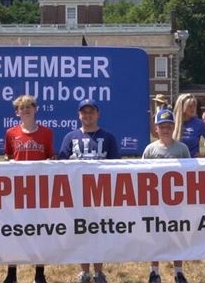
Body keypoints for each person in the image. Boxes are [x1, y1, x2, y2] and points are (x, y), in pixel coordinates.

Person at [58, 98, 120, 283]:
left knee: (98, 231)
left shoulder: (108, 137)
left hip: (100, 194)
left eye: (91, 111)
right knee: (80, 231)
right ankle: (84, 271)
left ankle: (99, 271)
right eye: (84, 112)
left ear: (97, 114)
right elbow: (61, 165)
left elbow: (116, 165)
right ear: (79, 115)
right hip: (77, 195)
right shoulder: (70, 137)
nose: (88, 115)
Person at [3, 95, 55, 283]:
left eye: (29, 107)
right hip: (16, 190)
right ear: (17, 113)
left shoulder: (47, 133)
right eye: (21, 108)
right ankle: (11, 272)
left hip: (39, 190)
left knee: (39, 231)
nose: (25, 110)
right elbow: (8, 156)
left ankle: (39, 273)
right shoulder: (11, 133)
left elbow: (50, 157)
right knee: (14, 231)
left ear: (36, 109)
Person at [143, 108, 190, 283]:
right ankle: (154, 271)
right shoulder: (150, 150)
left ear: (173, 126)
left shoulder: (182, 149)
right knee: (155, 235)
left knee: (177, 234)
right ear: (156, 129)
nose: (165, 129)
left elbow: (190, 173)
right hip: (155, 201)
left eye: (168, 125)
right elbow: (141, 174)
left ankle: (178, 271)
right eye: (161, 126)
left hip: (176, 202)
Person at [172, 93, 205, 158]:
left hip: (192, 164)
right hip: (174, 162)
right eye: (190, 106)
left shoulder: (198, 123)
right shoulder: (171, 122)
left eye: (194, 105)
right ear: (182, 107)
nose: (193, 108)